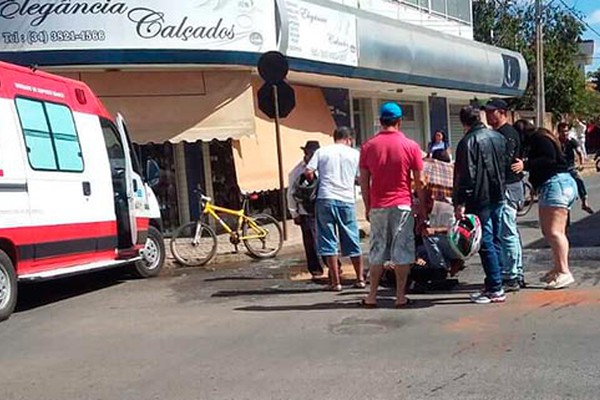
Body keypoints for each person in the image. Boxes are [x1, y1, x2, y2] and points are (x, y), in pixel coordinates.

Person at [359, 102, 425, 308]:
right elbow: (420, 181)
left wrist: (368, 206)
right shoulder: (411, 146)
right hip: (402, 204)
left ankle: (371, 296)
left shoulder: (368, 146)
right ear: (399, 121)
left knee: (377, 250)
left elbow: (363, 182)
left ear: (380, 121)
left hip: (378, 204)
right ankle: (399, 296)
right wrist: (421, 207)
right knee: (402, 252)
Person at [453, 105, 508, 304]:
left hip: (480, 197)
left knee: (485, 242)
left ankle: (495, 287)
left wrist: (460, 202)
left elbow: (466, 175)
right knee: (495, 239)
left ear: (463, 122)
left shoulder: (467, 142)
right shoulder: (498, 137)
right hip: (498, 194)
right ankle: (497, 281)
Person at [514, 128, 577, 289]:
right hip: (559, 184)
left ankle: (564, 271)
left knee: (555, 232)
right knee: (550, 231)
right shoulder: (544, 138)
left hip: (556, 184)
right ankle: (558, 268)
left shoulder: (538, 139)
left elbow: (548, 159)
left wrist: (526, 164)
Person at [305, 127, 364, 291]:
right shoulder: (355, 154)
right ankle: (360, 278)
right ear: (349, 139)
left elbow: (308, 172)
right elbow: (361, 177)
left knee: (328, 240)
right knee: (352, 237)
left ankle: (335, 282)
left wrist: (318, 180)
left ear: (334, 137)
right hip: (346, 200)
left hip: (325, 198)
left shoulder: (322, 152)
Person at [483, 99, 525, 291]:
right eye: (487, 112)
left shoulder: (507, 134)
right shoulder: (497, 134)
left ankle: (513, 275)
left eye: (492, 112)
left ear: (502, 112)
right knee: (504, 230)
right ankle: (512, 271)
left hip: (508, 186)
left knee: (508, 231)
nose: (489, 115)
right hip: (504, 186)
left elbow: (505, 161)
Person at [287, 140, 325, 278]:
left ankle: (333, 265)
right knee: (310, 241)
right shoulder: (297, 171)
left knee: (326, 238)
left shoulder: (323, 167)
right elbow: (291, 193)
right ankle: (315, 269)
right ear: (306, 154)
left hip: (323, 208)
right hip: (305, 210)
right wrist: (294, 213)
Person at [557, 122, 593, 215]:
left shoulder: (572, 141)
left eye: (566, 131)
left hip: (570, 167)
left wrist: (581, 164)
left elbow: (579, 152)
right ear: (558, 132)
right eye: (562, 131)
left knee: (579, 180)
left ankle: (584, 203)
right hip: (559, 168)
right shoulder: (556, 142)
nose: (565, 133)